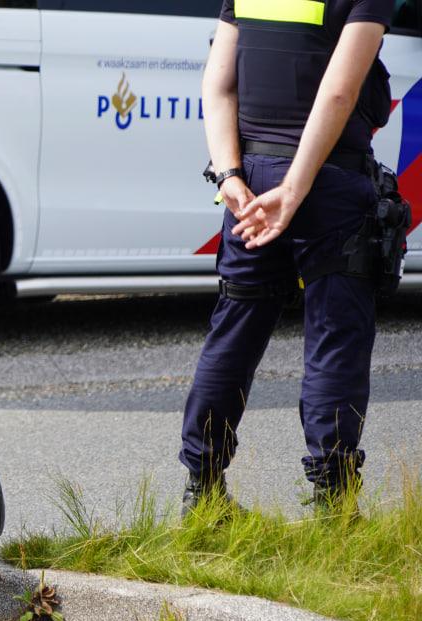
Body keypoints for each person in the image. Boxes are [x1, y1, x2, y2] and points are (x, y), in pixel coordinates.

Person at [180, 0, 395, 515]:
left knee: (235, 326)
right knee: (334, 338)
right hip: (328, 180)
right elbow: (341, 90)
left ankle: (202, 491)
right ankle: (333, 503)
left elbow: (218, 84)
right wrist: (295, 188)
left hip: (250, 180)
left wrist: (229, 175)